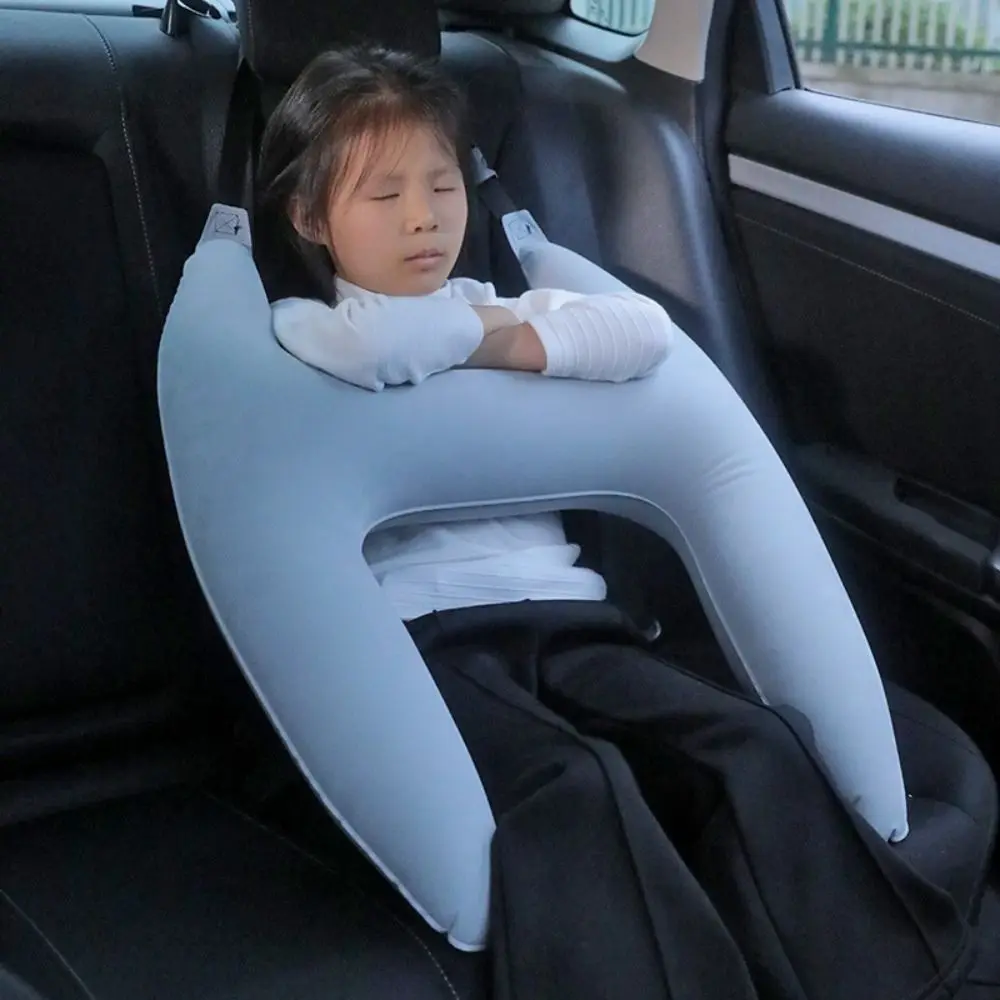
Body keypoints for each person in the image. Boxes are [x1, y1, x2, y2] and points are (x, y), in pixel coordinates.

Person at [253, 45, 971, 1000]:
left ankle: (904, 982)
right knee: (574, 785)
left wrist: (499, 331)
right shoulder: (302, 330)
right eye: (384, 196)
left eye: (442, 184)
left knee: (750, 745)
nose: (423, 216)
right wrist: (511, 343)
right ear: (310, 219)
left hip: (567, 614)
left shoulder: (498, 299)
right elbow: (377, 348)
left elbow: (638, 332)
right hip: (432, 641)